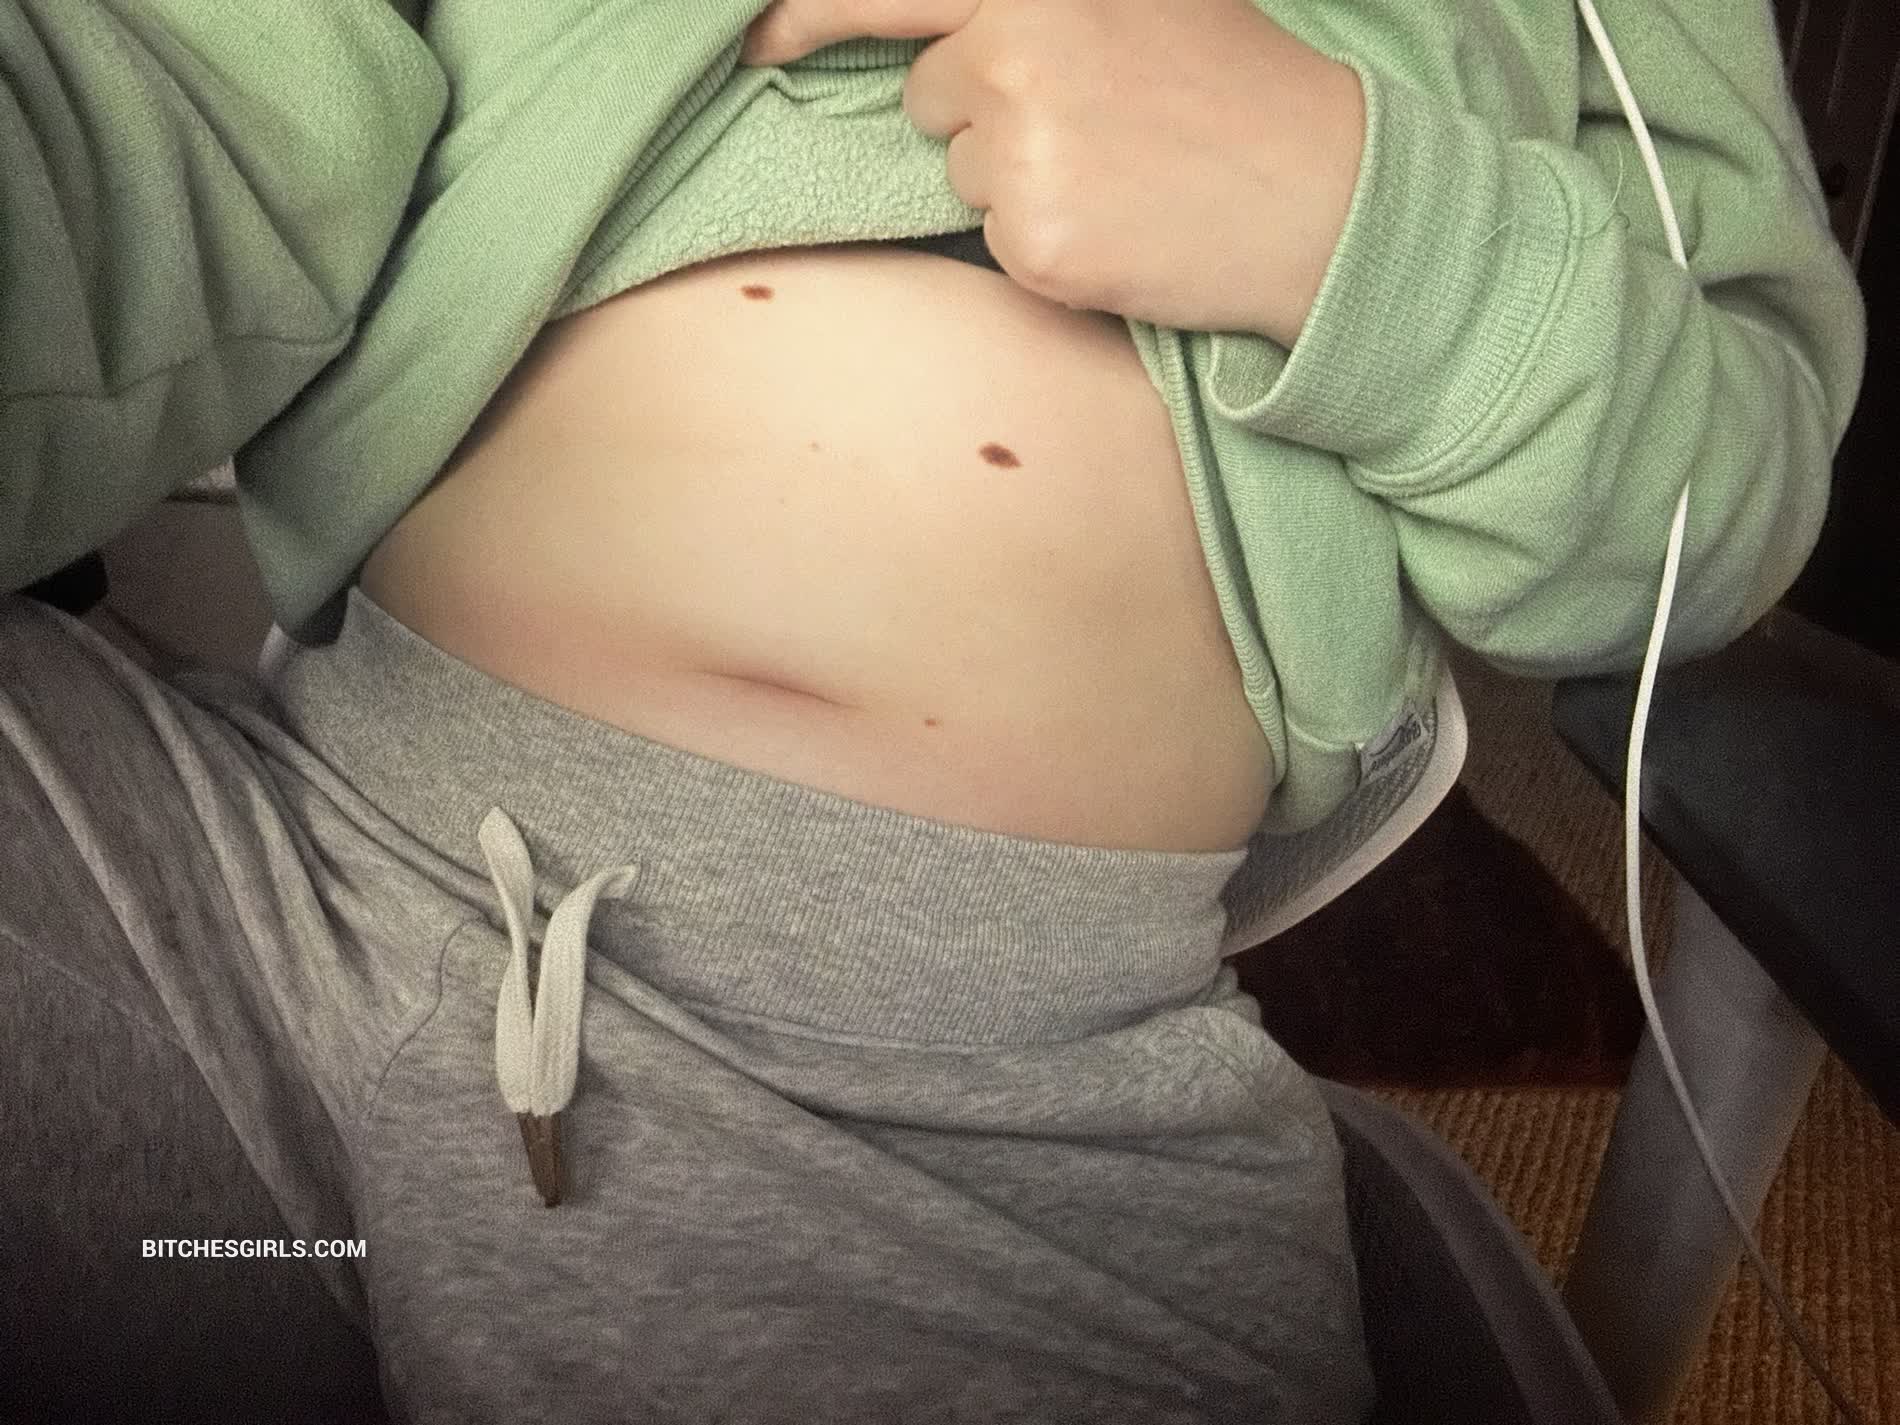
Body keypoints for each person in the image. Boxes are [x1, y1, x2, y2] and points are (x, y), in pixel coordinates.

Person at [1, 0, 1866, 1420]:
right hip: (247, 863)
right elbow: (161, 123)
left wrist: (1361, 231)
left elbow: (1728, 489)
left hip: (972, 1111)